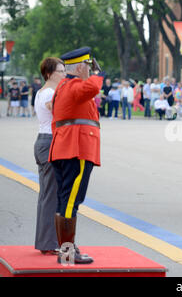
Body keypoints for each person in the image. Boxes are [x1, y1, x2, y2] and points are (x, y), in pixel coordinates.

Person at [49, 47, 104, 264]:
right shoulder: (75, 86)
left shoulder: (63, 86)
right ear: (81, 67)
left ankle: (66, 248)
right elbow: (93, 86)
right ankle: (67, 253)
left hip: (64, 148)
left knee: (64, 201)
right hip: (76, 148)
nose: (91, 70)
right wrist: (94, 74)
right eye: (88, 66)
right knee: (71, 201)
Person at [34, 57, 66, 255]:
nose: (64, 74)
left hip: (46, 141)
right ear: (49, 73)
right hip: (49, 142)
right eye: (60, 71)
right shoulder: (49, 93)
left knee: (47, 194)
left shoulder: (44, 91)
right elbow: (60, 112)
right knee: (50, 195)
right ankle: (49, 242)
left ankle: (47, 241)